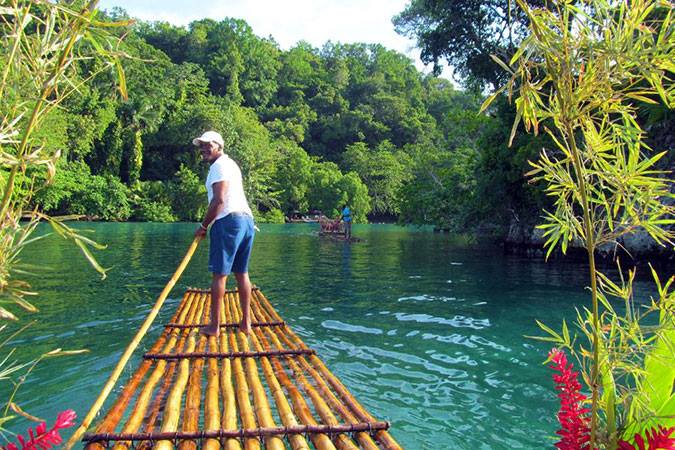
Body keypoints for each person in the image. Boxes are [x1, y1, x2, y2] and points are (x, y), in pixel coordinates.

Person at [193, 130, 255, 335]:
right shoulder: (231, 164)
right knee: (242, 273)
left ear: (219, 146)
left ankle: (214, 326)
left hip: (228, 221)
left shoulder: (218, 166)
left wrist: (203, 226)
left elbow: (219, 200)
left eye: (207, 145)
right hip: (246, 221)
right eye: (201, 145)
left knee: (219, 276)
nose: (203, 149)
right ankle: (246, 324)